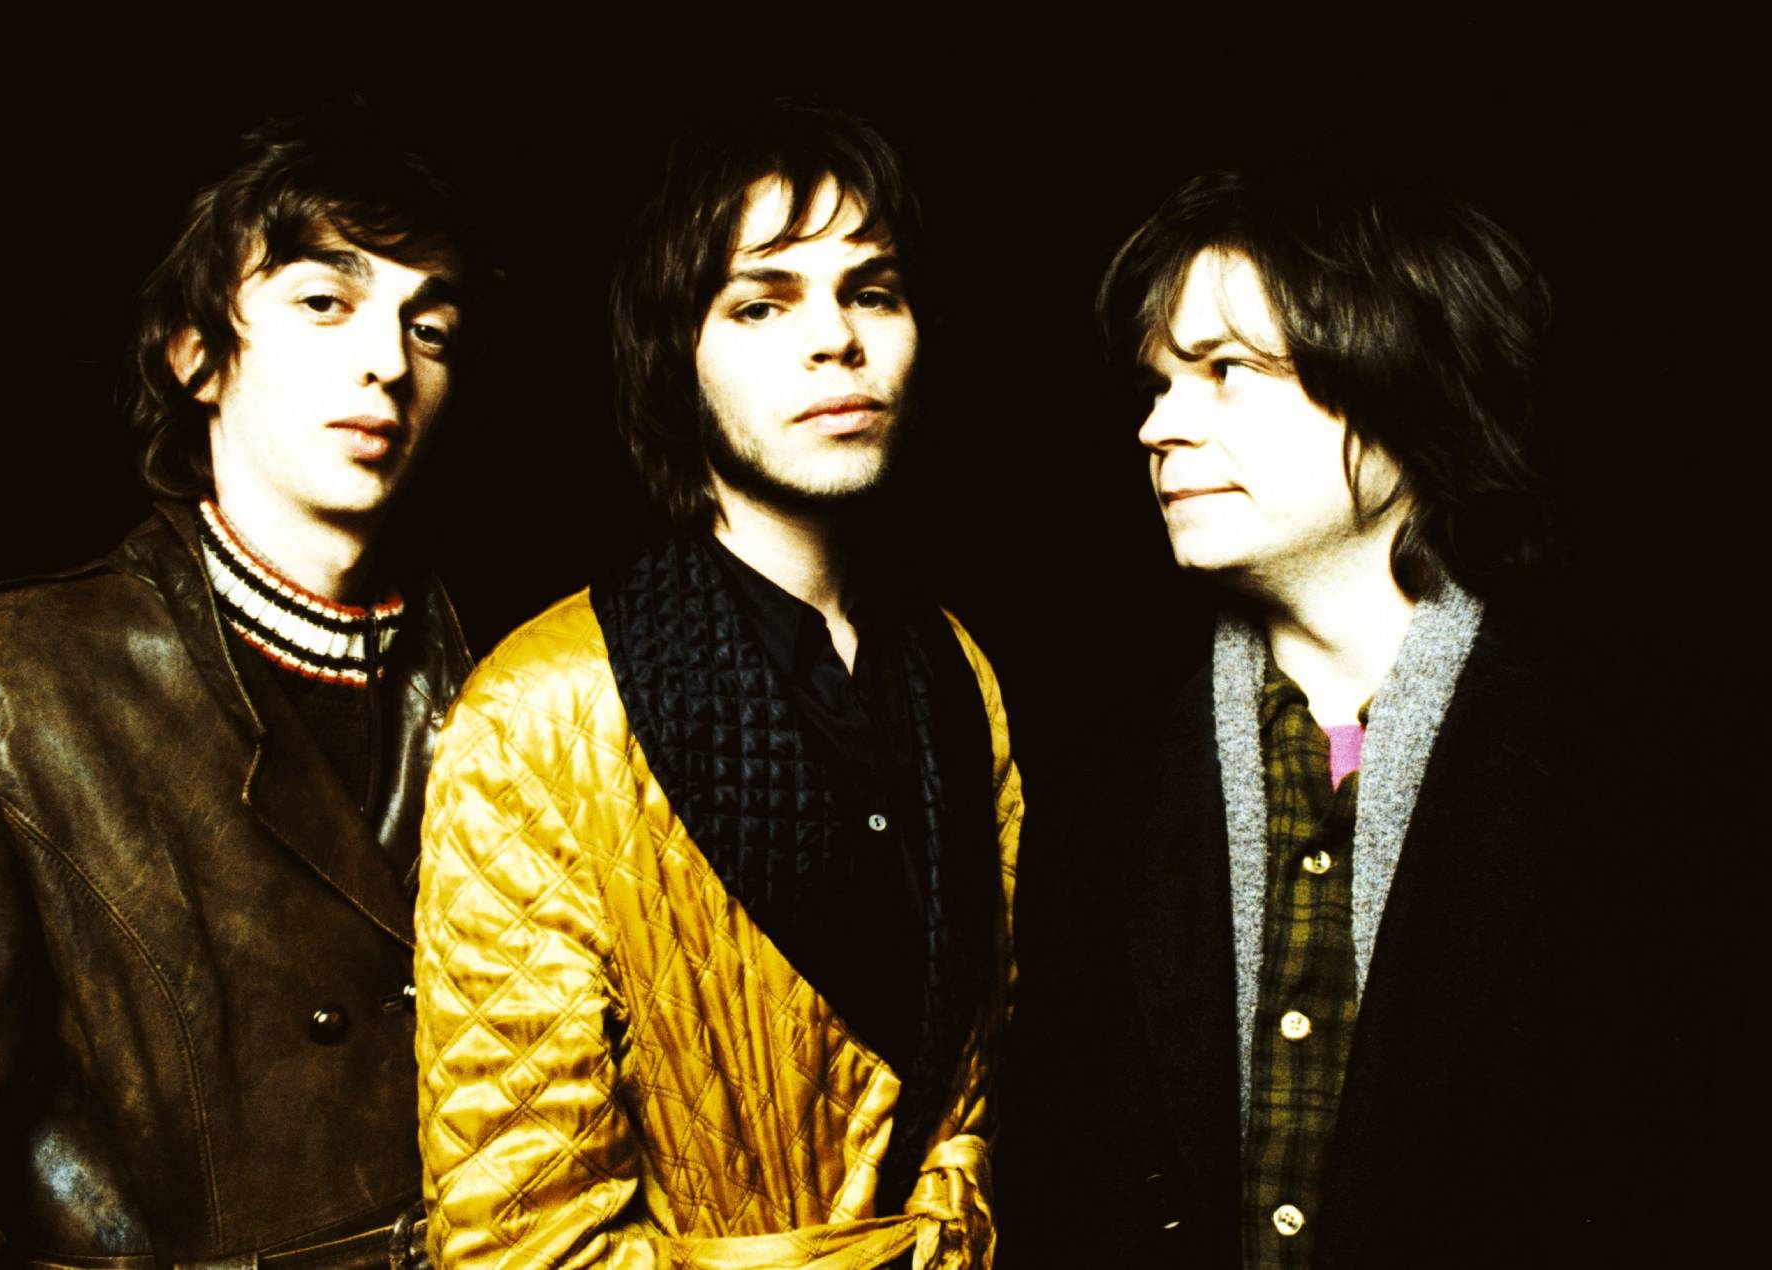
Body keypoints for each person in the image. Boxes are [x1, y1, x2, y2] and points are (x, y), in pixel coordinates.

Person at [0, 105, 484, 1268]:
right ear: (193, 353)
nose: (386, 359)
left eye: (433, 325)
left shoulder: (516, 686)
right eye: (324, 301)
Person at [1001, 166, 1725, 1267]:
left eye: (1224, 372)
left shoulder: (1630, 770)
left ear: (1405, 387)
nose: (1159, 425)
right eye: (1154, 384)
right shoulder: (1097, 767)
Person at [413, 104, 1021, 1269]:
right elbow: (519, 1235)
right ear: (672, 357)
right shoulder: (539, 709)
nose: (833, 340)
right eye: (761, 302)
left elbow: (986, 1093)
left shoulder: (956, 668)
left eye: (870, 291)